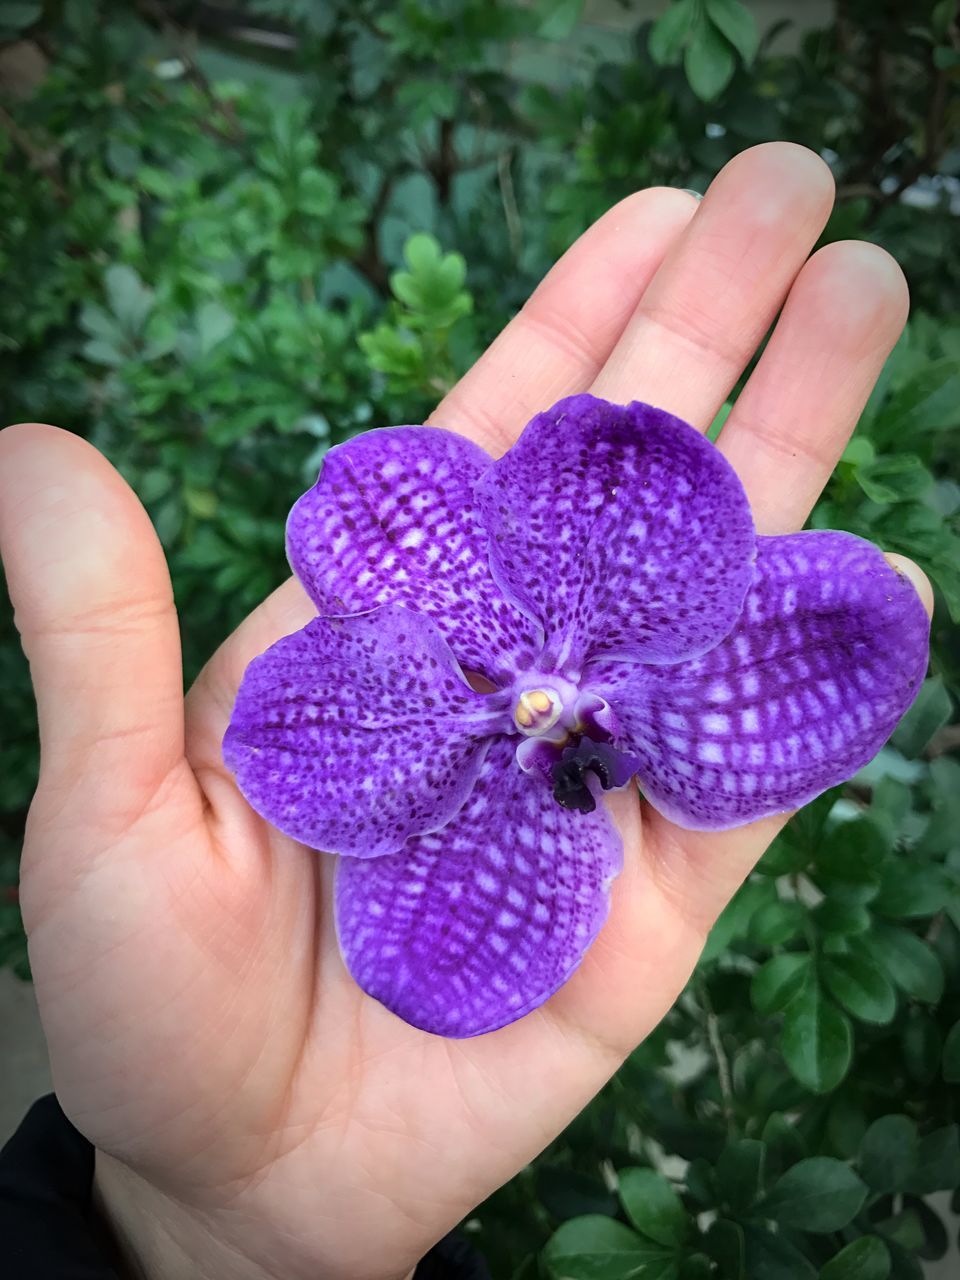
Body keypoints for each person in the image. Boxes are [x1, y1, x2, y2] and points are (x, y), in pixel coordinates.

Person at [0, 141, 933, 1279]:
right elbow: (299, 720)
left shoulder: (649, 602)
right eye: (547, 710)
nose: (547, 710)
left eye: (551, 713)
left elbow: (779, 583)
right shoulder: (438, 624)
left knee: (854, 616)